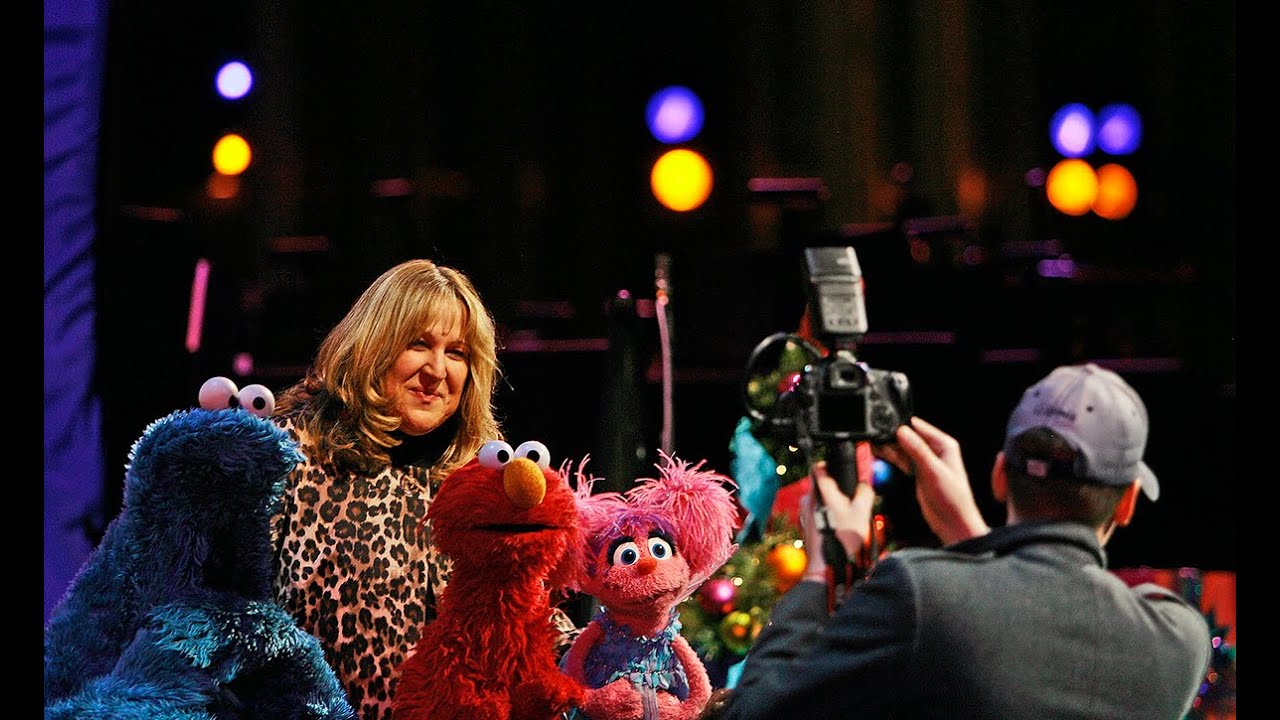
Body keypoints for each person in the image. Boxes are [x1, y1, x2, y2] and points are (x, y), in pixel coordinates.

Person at [720, 362, 1212, 719]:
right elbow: (1032, 612)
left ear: (1000, 475)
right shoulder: (1176, 639)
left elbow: (755, 713)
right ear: (1126, 503)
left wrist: (824, 569)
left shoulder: (922, 595)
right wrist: (972, 537)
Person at [269, 259, 576, 720]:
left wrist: (609, 656)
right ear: (373, 345)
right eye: (419, 344)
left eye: (457, 353)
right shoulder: (283, 456)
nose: (437, 370)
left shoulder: (480, 479)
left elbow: (525, 615)